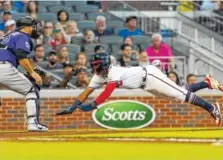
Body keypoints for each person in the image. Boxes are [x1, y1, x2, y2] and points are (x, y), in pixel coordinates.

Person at [56, 53, 222, 127]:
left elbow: (107, 92)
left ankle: (211, 108)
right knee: (177, 94)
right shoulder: (98, 76)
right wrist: (73, 106)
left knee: (182, 95)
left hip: (150, 75)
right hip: (146, 84)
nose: (94, 67)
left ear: (104, 65)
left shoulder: (114, 71)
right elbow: (85, 92)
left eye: (96, 65)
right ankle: (206, 83)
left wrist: (93, 105)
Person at [0, 16, 48, 131]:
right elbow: (21, 55)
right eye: (33, 26)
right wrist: (32, 72)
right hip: (3, 67)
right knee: (31, 91)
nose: (35, 29)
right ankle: (33, 123)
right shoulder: (22, 36)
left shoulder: (7, 36)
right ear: (26, 27)